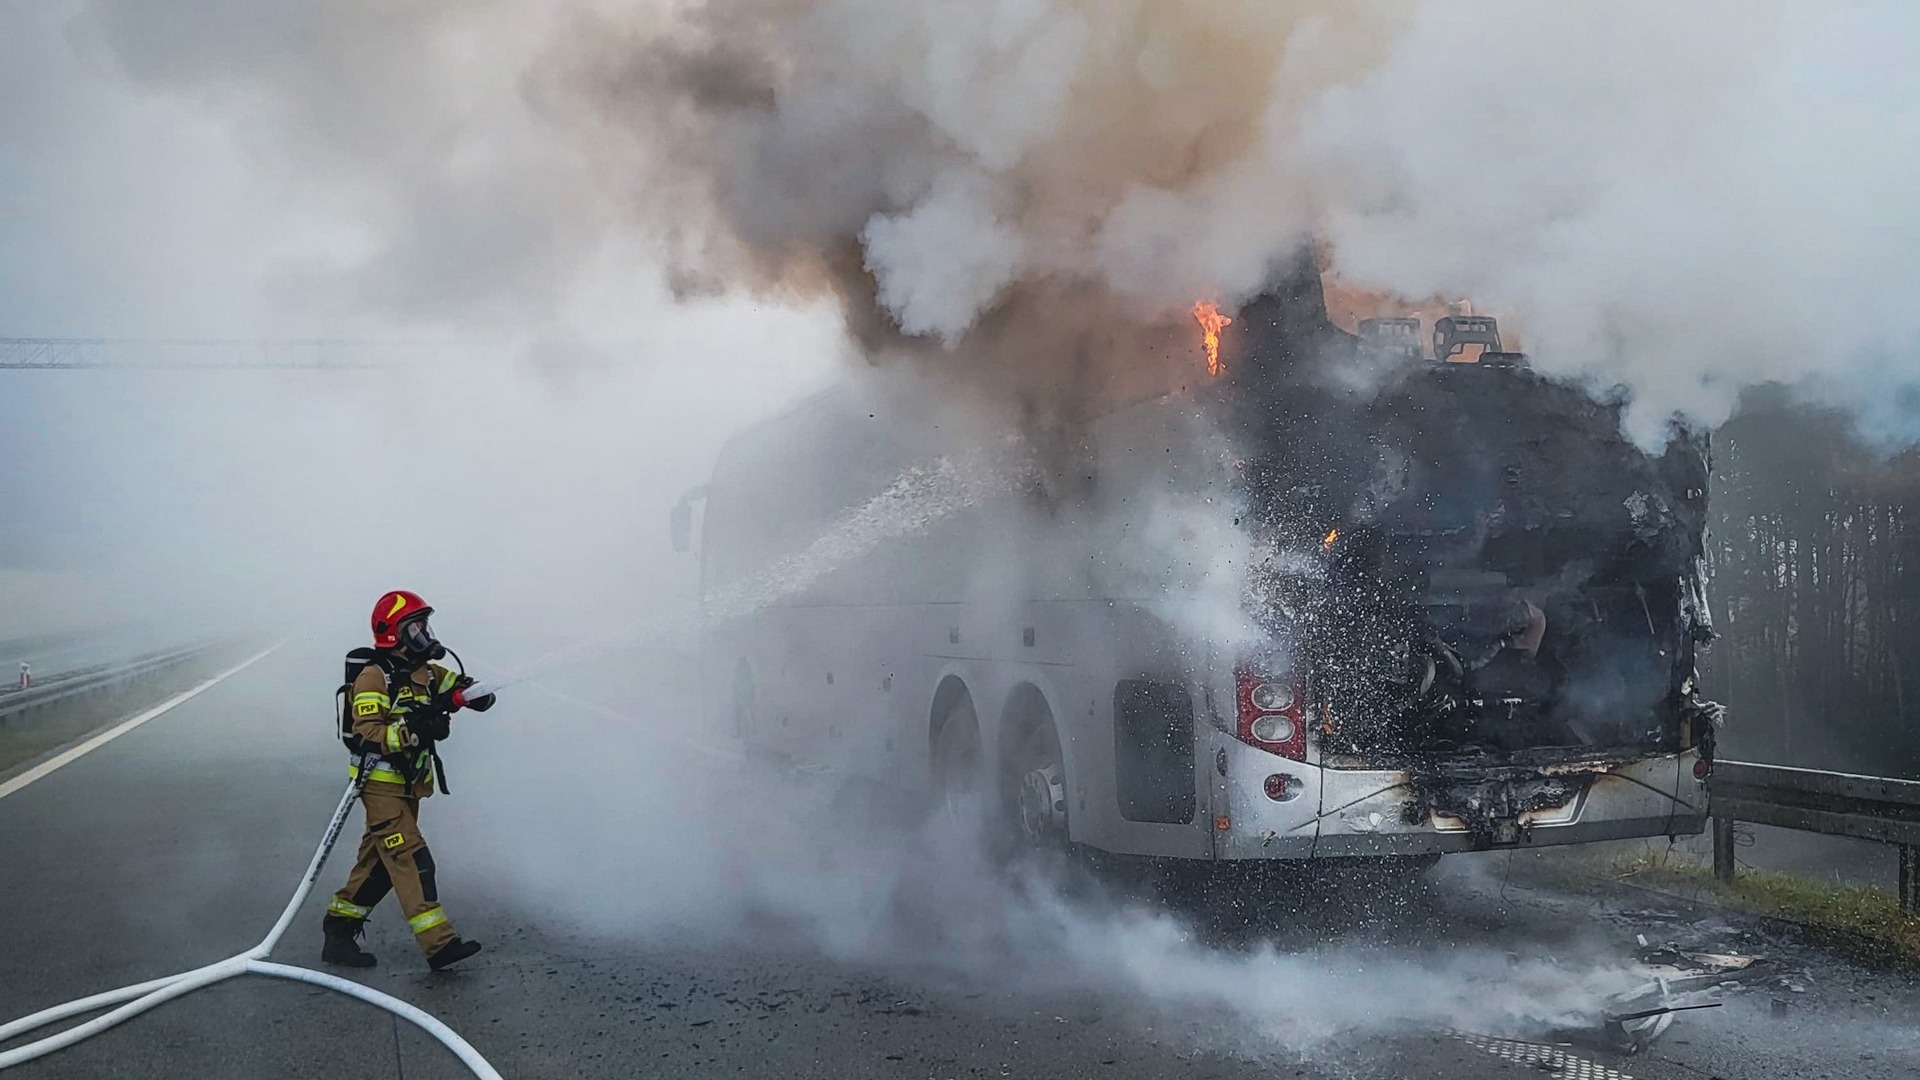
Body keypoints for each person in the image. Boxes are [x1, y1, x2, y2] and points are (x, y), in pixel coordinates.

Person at [320, 590, 494, 971]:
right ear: (393, 633)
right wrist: (415, 731)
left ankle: (338, 929)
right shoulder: (373, 677)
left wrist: (473, 694)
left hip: (408, 784)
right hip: (379, 786)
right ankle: (439, 945)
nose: (423, 634)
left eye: (424, 626)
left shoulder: (425, 672)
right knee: (412, 859)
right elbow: (367, 732)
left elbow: (456, 687)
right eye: (415, 628)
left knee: (380, 865)